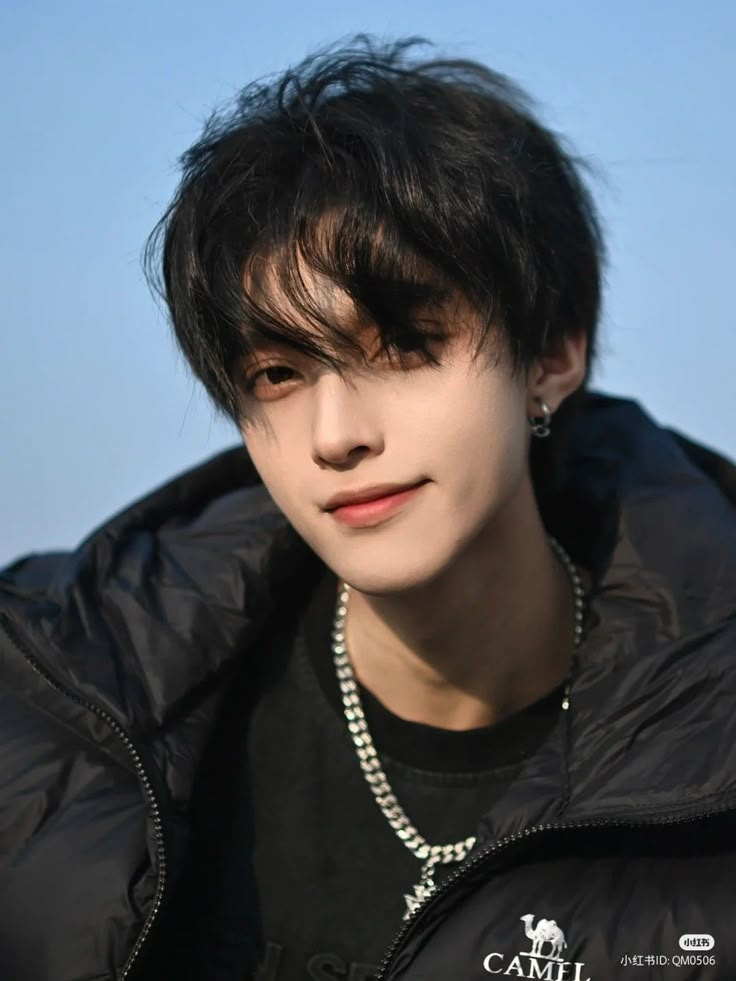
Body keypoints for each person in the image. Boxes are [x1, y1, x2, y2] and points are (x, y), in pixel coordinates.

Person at [1, 32, 735, 981]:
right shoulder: (53, 698)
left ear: (550, 356)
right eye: (277, 372)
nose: (335, 431)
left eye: (403, 346)